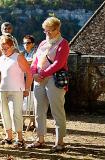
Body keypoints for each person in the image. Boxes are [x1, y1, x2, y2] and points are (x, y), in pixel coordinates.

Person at [27, 17, 69, 152]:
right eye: (45, 31)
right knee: (39, 111)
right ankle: (40, 139)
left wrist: (42, 74)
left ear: (57, 30)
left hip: (53, 79)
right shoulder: (42, 43)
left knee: (57, 111)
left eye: (50, 31)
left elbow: (59, 63)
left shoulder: (63, 43)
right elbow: (35, 61)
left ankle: (60, 142)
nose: (47, 34)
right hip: (39, 79)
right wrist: (34, 73)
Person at [0, 35, 33, 148]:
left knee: (16, 113)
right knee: (4, 114)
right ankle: (8, 137)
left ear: (12, 46)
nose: (4, 51)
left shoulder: (18, 57)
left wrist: (27, 88)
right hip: (1, 90)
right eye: (2, 48)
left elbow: (29, 73)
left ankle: (19, 138)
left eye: (6, 48)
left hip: (16, 90)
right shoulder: (0, 59)